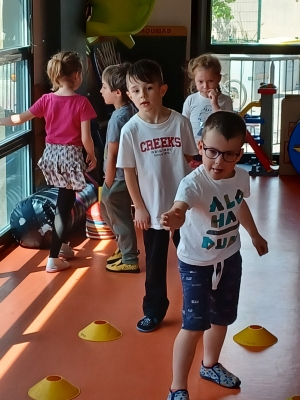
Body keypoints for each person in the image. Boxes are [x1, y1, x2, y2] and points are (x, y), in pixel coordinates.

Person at [161, 111, 268, 400]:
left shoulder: (240, 177)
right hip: (196, 264)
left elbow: (238, 205)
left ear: (239, 154)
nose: (219, 161)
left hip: (230, 257)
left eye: (229, 155)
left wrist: (254, 234)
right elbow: (181, 208)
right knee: (194, 324)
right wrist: (174, 216)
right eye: (212, 152)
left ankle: (209, 365)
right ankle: (177, 388)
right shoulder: (194, 183)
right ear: (201, 146)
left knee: (222, 317)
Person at [117, 59, 198, 332]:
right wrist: (138, 207)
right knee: (154, 264)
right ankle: (154, 310)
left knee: (192, 257)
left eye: (148, 88)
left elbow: (192, 161)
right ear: (129, 95)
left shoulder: (180, 123)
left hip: (182, 208)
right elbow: (128, 172)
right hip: (151, 209)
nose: (143, 95)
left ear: (162, 90)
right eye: (136, 90)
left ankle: (197, 305)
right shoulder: (131, 130)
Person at [0, 51, 97, 273]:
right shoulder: (81, 103)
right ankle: (53, 258)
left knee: (63, 200)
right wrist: (91, 154)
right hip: (70, 157)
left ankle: (62, 246)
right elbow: (85, 138)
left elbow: (19, 118)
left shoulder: (46, 100)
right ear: (77, 75)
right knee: (64, 206)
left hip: (51, 156)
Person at [99, 63, 139, 273]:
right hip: (126, 175)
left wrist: (108, 181)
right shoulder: (131, 110)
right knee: (109, 211)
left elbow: (112, 153)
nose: (101, 91)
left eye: (104, 87)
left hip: (118, 177)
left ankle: (129, 257)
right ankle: (125, 248)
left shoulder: (117, 118)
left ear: (116, 92)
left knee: (117, 215)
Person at [183, 53, 233, 148]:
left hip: (216, 149)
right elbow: (183, 126)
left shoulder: (226, 100)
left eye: (210, 81)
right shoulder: (191, 100)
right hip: (195, 149)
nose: (205, 86)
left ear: (218, 79)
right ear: (194, 80)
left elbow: (226, 126)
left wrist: (214, 104)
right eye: (200, 82)